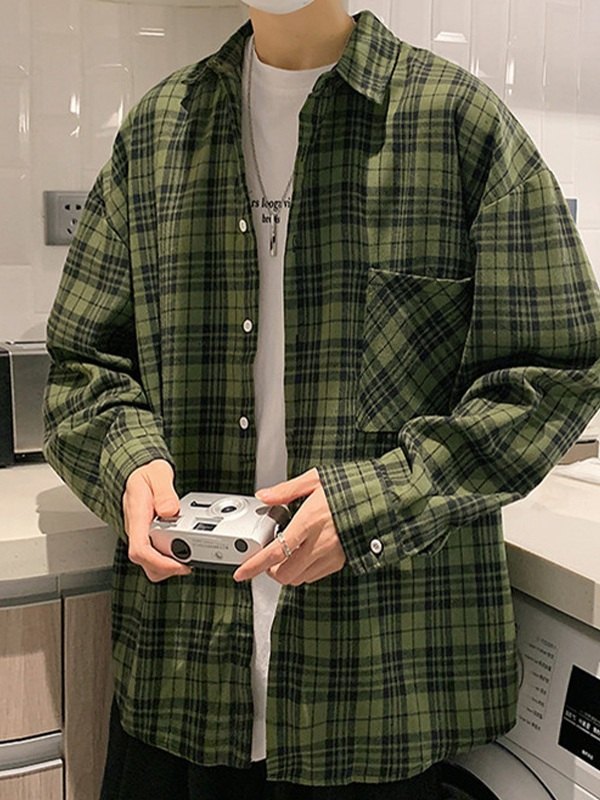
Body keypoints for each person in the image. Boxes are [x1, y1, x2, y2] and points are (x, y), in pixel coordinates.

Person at [43, 0, 600, 797]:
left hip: (380, 693)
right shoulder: (158, 134)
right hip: (183, 678)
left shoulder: (457, 125)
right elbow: (82, 365)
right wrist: (129, 463)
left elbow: (557, 371)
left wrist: (378, 500)